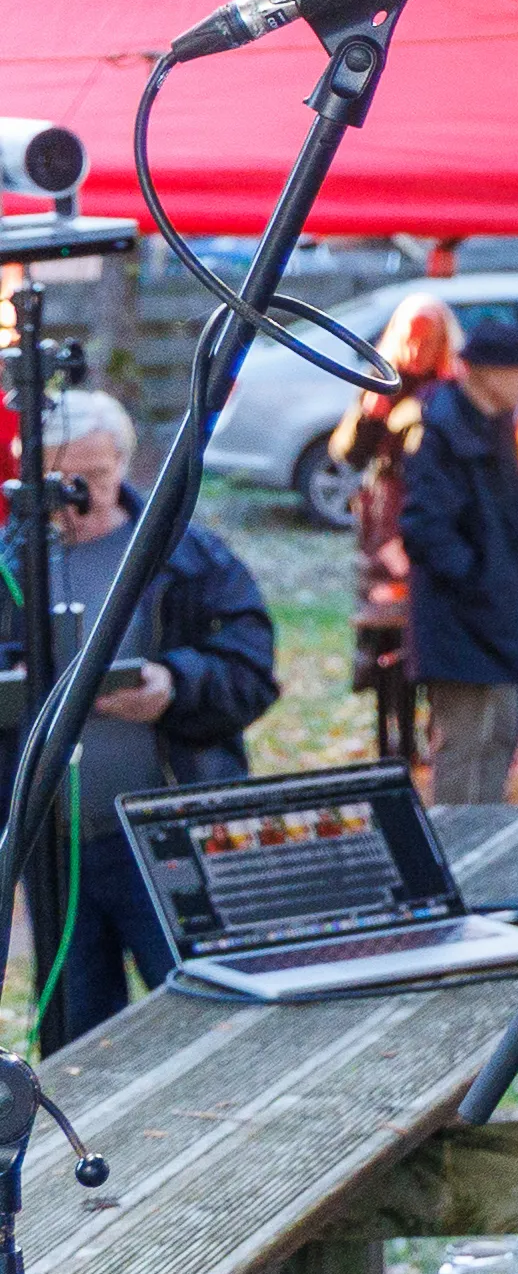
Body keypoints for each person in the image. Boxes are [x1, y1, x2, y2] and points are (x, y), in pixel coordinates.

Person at [5, 391, 279, 1045]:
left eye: (95, 478)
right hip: (58, 848)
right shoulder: (13, 567)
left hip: (169, 840)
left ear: (124, 465)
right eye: (63, 481)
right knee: (74, 1048)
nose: (81, 497)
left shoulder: (185, 555)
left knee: (197, 1030)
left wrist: (175, 683)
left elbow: (251, 670)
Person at [399, 315, 518, 805]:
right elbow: (425, 528)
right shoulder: (440, 429)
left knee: (498, 738)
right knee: (465, 746)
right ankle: (460, 857)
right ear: (482, 371)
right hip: (460, 622)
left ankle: (483, 852)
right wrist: (480, 582)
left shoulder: (492, 425)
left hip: (498, 618)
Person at [332, 293, 457, 765]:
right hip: (384, 531)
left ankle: (433, 734)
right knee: (385, 637)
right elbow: (348, 456)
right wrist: (371, 411)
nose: (417, 346)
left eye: (428, 337)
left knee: (428, 635)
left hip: (431, 526)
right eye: (410, 335)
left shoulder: (451, 390)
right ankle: (393, 742)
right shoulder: (379, 386)